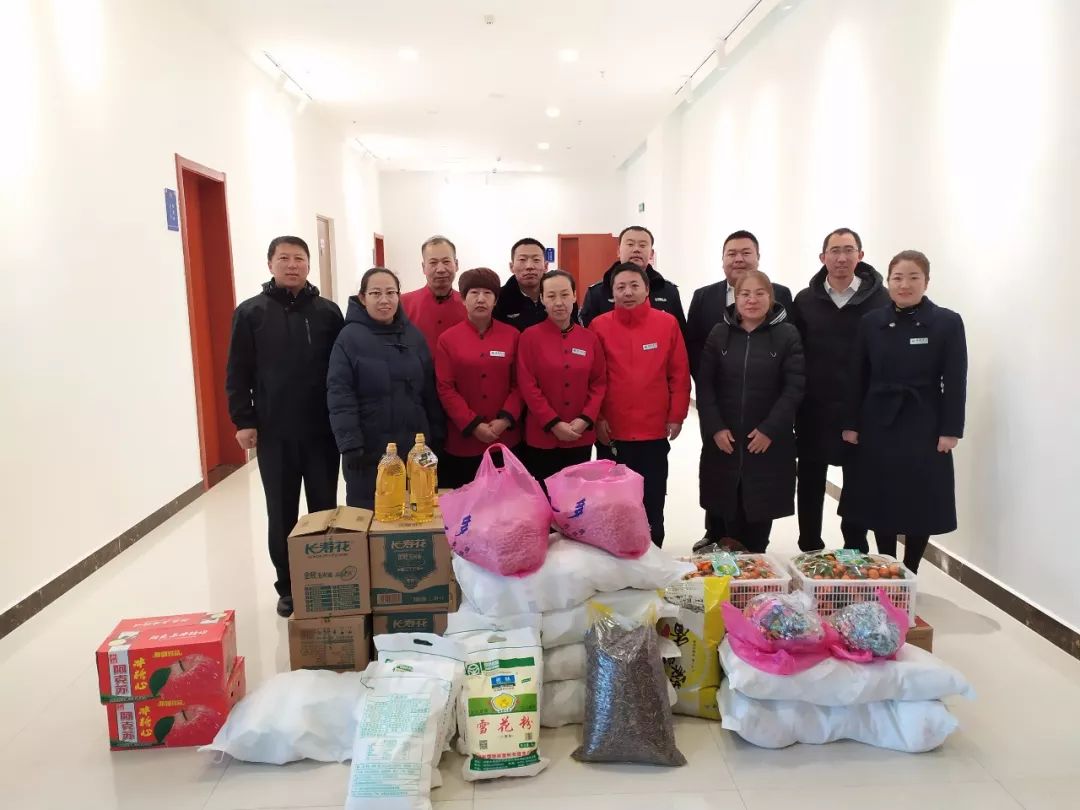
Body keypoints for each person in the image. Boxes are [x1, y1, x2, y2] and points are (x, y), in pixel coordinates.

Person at [225, 236, 344, 618]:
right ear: (270, 264)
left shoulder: (328, 312)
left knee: (324, 508)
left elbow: (341, 370)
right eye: (284, 258)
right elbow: (237, 371)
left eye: (299, 259)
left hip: (322, 432)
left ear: (309, 264)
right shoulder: (251, 313)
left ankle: (325, 579)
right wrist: (243, 420)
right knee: (281, 512)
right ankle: (288, 586)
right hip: (275, 433)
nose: (292, 265)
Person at [839, 250, 968, 573]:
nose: (905, 284)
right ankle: (888, 566)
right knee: (880, 495)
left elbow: (955, 379)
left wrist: (950, 430)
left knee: (920, 498)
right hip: (878, 420)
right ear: (889, 281)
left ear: (927, 281)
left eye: (913, 277)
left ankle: (910, 569)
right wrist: (851, 424)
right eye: (897, 277)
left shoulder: (946, 322)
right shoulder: (872, 322)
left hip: (925, 421)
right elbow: (857, 376)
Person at [687, 229, 793, 549]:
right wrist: (711, 408)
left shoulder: (783, 298)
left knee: (759, 480)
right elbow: (694, 347)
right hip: (720, 406)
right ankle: (715, 533)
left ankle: (753, 545)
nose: (739, 258)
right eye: (732, 253)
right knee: (720, 472)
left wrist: (774, 421)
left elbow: (792, 365)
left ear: (758, 258)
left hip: (764, 409)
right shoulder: (704, 297)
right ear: (722, 260)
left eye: (746, 252)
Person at [790, 228, 890, 552]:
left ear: (860, 255)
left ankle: (854, 549)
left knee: (857, 482)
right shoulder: (805, 301)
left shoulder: (881, 300)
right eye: (835, 250)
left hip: (861, 408)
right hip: (814, 408)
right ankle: (809, 546)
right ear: (823, 257)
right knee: (810, 479)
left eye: (849, 250)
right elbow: (795, 353)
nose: (842, 257)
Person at [589, 263, 690, 547]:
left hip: (653, 430)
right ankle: (614, 553)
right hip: (613, 431)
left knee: (652, 499)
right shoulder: (599, 326)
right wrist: (598, 418)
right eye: (620, 287)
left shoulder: (667, 323)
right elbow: (594, 379)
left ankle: (653, 550)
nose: (628, 292)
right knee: (614, 503)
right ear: (612, 293)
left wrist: (677, 415)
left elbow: (679, 373)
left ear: (647, 289)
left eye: (634, 285)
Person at [327, 267, 445, 509]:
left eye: (391, 293)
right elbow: (340, 393)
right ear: (363, 298)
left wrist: (437, 431)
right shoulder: (349, 338)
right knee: (372, 513)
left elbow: (428, 390)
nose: (384, 300)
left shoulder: (413, 336)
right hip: (368, 449)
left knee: (414, 513)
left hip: (414, 445)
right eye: (375, 293)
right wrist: (349, 443)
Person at [434, 268, 523, 488]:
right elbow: (445, 387)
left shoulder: (513, 336)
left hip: (505, 438)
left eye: (487, 293)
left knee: (505, 502)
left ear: (496, 300)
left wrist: (504, 421)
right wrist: (473, 425)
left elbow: (520, 384)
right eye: (474, 293)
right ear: (463, 299)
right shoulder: (447, 339)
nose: (481, 299)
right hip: (462, 441)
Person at [517, 270, 607, 486]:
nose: (559, 302)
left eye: (565, 294)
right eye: (551, 296)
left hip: (580, 435)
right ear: (542, 299)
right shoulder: (529, 337)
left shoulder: (589, 338)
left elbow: (598, 383)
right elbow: (528, 385)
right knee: (544, 497)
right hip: (542, 436)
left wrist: (585, 419)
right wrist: (554, 423)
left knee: (576, 498)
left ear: (574, 296)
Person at [581, 226, 686, 331]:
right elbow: (587, 335)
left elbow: (679, 333)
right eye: (630, 244)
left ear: (651, 254)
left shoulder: (668, 290)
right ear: (618, 251)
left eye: (642, 245)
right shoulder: (597, 292)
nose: (636, 249)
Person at [400, 235, 466, 352]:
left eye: (446, 261)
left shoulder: (468, 305)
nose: (440, 269)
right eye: (433, 262)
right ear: (423, 267)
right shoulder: (402, 304)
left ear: (456, 264)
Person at [493, 238, 550, 332]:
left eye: (536, 260)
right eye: (522, 259)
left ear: (546, 266)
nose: (529, 266)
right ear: (511, 267)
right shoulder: (498, 299)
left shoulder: (559, 296)